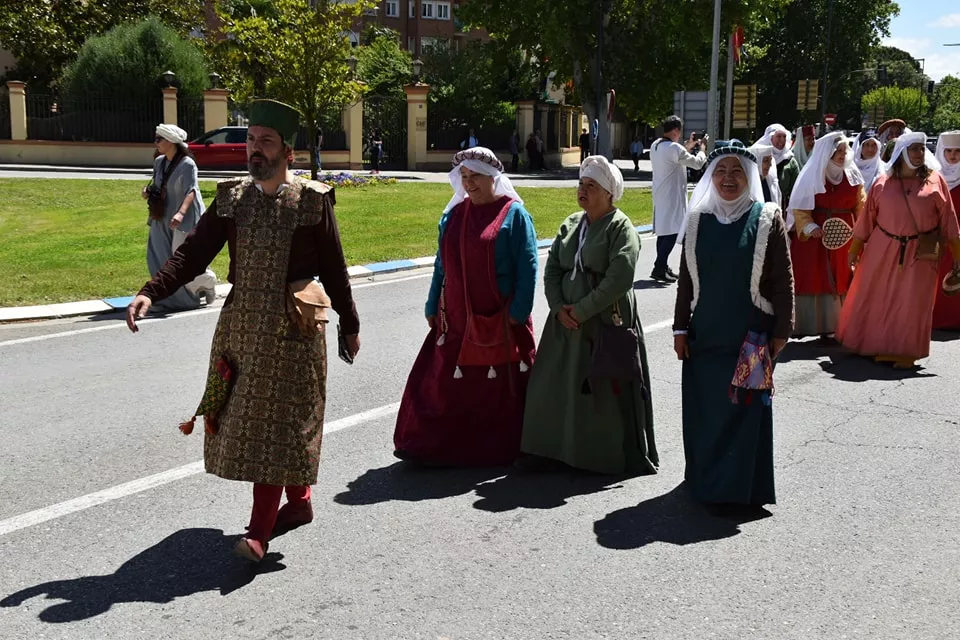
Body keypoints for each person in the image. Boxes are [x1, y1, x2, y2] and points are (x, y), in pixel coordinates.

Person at [126, 99, 362, 563]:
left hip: (294, 333)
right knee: (256, 425)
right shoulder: (232, 199)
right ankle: (299, 503)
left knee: (278, 426)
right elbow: (194, 253)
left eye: (266, 142)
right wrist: (151, 291)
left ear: (287, 153)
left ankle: (258, 531)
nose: (255, 149)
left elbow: (335, 267)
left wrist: (349, 324)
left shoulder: (312, 201)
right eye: (252, 140)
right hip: (241, 332)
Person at [393, 147, 538, 467]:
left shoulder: (514, 215)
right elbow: (441, 265)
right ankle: (438, 446)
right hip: (456, 321)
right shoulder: (454, 215)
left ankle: (500, 448)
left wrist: (516, 314)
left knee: (499, 389)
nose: (469, 183)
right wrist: (432, 303)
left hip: (500, 322)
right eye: (465, 177)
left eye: (476, 177)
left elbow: (528, 267)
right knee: (446, 385)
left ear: (493, 178)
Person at [673, 143, 794, 516]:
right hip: (705, 339)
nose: (728, 178)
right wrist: (679, 329)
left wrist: (781, 332)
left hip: (750, 339)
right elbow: (686, 283)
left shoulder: (766, 219)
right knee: (706, 413)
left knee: (743, 415)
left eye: (737, 171)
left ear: (750, 176)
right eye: (721, 171)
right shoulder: (697, 221)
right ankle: (705, 480)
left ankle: (737, 490)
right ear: (711, 177)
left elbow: (782, 281)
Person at [518, 156, 658, 475]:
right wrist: (557, 307)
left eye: (591, 185)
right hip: (565, 324)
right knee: (551, 383)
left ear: (609, 192)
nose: (583, 190)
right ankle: (549, 448)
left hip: (602, 322)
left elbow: (619, 279)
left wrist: (581, 311)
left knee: (598, 390)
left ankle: (596, 456)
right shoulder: (571, 223)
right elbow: (552, 268)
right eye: (581, 184)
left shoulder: (621, 227)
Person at [838, 132, 960, 368]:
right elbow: (866, 220)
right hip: (882, 248)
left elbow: (950, 223)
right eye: (914, 149)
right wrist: (854, 251)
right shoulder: (883, 183)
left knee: (913, 302)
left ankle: (906, 352)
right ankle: (875, 345)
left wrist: (957, 257)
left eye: (921, 149)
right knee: (878, 298)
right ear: (901, 153)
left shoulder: (936, 181)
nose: (919, 153)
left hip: (920, 252)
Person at [787, 132, 866, 337]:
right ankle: (811, 324)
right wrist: (810, 227)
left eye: (844, 150)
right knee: (815, 275)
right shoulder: (812, 175)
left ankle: (840, 324)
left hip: (844, 235)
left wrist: (861, 231)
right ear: (827, 154)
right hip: (815, 237)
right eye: (837, 151)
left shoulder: (853, 176)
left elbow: (861, 206)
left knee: (842, 273)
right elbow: (800, 208)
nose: (842, 155)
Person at [143, 124, 217, 311]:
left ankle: (205, 282)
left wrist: (180, 213)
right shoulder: (159, 162)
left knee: (181, 259)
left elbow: (191, 190)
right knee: (157, 256)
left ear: (171, 141)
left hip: (184, 216)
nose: (156, 142)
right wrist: (148, 192)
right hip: (162, 215)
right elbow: (160, 186)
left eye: (159, 139)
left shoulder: (187, 164)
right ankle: (163, 299)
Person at [650, 115, 707, 283]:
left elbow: (678, 155)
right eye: (679, 131)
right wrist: (702, 149)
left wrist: (689, 146)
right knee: (673, 232)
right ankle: (659, 267)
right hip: (673, 196)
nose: (680, 134)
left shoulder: (656, 145)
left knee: (663, 231)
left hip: (661, 194)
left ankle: (661, 265)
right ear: (675, 130)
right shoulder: (674, 149)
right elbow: (696, 163)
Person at [932, 131, 960, 330]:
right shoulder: (933, 177)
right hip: (937, 236)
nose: (952, 155)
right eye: (948, 150)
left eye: (958, 151)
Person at [780, 125, 816, 206]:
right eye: (808, 139)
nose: (812, 142)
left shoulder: (815, 157)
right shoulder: (790, 158)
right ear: (800, 141)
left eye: (813, 138)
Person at [853, 129, 883, 193]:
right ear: (860, 147)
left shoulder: (885, 170)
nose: (870, 149)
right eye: (867, 145)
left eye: (874, 145)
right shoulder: (850, 170)